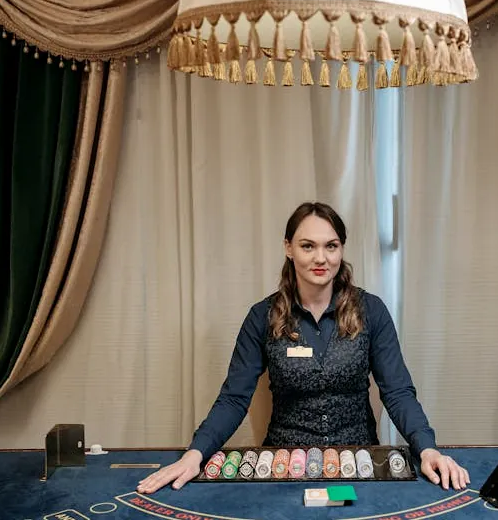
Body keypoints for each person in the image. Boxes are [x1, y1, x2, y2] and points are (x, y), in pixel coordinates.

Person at [137, 202, 469, 494]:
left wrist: (427, 450)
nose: (321, 258)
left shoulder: (372, 311)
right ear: (288, 248)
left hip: (358, 463)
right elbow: (235, 397)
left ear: (342, 249)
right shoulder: (261, 317)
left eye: (331, 246)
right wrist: (195, 454)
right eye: (308, 246)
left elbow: (397, 392)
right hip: (283, 466)